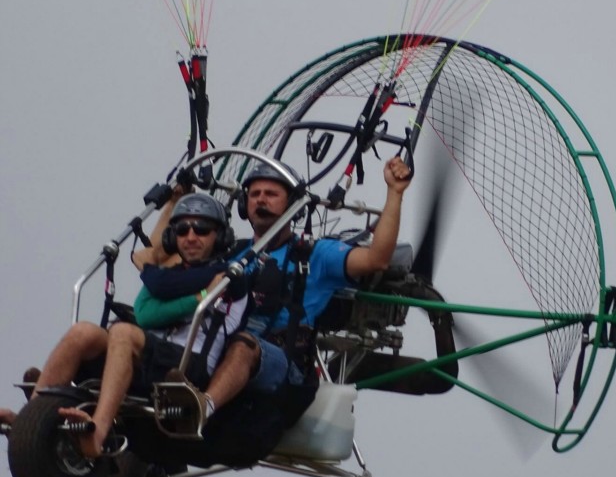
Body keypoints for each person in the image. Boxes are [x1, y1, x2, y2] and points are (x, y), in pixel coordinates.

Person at [6, 192, 246, 458]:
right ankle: (29, 423)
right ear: (172, 237)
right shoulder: (169, 278)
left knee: (122, 332)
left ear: (220, 236)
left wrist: (156, 276)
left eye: (201, 229)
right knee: (83, 331)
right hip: (147, 356)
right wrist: (195, 294)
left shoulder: (231, 276)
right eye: (181, 229)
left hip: (188, 365)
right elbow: (145, 312)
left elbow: (159, 288)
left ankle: (97, 433)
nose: (190, 237)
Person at [193, 155, 412, 425]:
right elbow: (157, 262)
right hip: (224, 352)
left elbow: (376, 259)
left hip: (284, 369)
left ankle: (202, 408)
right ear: (243, 204)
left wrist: (395, 194)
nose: (261, 200)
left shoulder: (316, 255)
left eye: (271, 194)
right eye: (255, 194)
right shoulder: (233, 254)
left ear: (293, 205)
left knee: (243, 346)